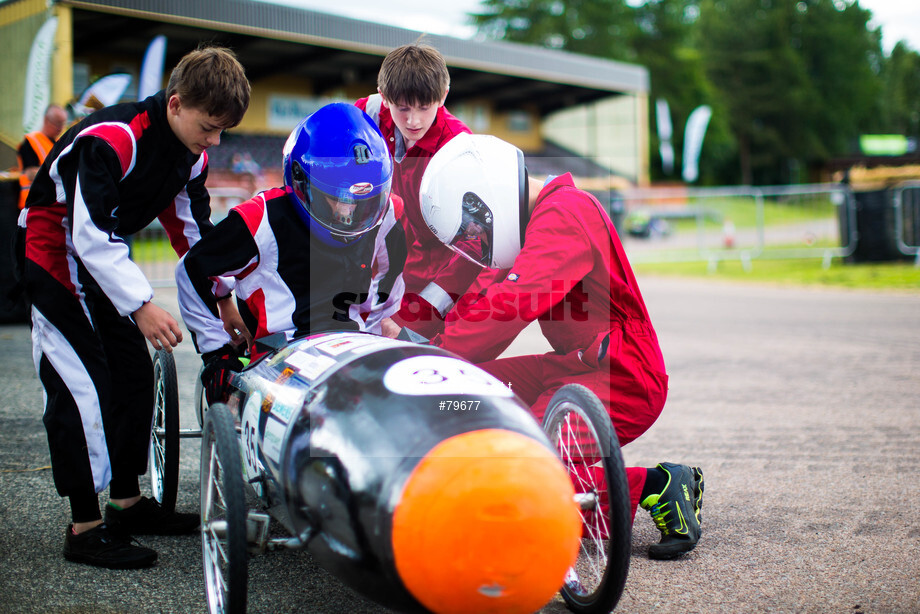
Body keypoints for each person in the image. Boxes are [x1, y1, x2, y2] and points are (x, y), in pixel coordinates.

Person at [17, 45, 251, 569]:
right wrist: (144, 304)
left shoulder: (192, 155)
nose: (213, 141)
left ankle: (125, 504)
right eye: (209, 126)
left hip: (99, 258)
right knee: (83, 383)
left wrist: (224, 299)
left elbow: (194, 236)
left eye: (223, 132)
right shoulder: (112, 137)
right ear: (175, 104)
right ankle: (85, 529)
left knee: (132, 377)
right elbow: (87, 231)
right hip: (53, 250)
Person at [419, 133, 704, 560]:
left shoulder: (566, 212)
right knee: (464, 389)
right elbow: (486, 295)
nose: (476, 242)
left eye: (474, 231)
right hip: (576, 369)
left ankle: (657, 485)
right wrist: (429, 356)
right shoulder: (538, 223)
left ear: (485, 198)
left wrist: (435, 358)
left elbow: (511, 305)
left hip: (623, 375)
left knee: (526, 474)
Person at [176, 102, 406, 404]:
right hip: (279, 355)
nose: (350, 212)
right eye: (337, 199)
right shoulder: (261, 218)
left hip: (352, 345)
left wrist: (377, 323)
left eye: (364, 200)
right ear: (302, 183)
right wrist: (215, 352)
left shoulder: (387, 212)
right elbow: (192, 270)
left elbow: (392, 274)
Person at [355, 41, 480, 338]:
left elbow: (474, 248)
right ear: (384, 98)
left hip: (447, 269)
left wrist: (418, 315)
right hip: (394, 261)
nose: (413, 121)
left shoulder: (460, 150)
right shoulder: (368, 113)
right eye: (403, 108)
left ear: (443, 96)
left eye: (425, 108)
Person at [15, 104, 68, 210]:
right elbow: (30, 173)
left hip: (50, 203)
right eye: (57, 123)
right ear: (46, 120)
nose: (60, 128)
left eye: (62, 124)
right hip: (33, 204)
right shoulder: (31, 141)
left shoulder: (58, 143)